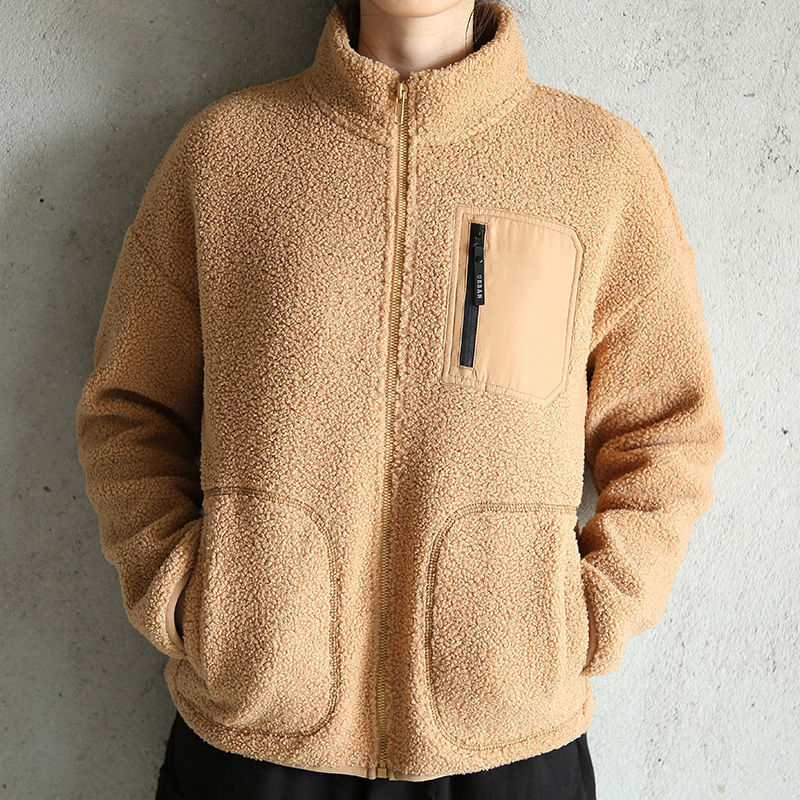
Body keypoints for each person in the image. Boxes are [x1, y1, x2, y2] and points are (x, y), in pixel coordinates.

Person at [74, 0, 726, 798]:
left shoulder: (598, 167)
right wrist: (190, 599)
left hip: (509, 745)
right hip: (256, 737)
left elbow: (668, 431)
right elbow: (128, 411)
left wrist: (582, 621)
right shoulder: (225, 155)